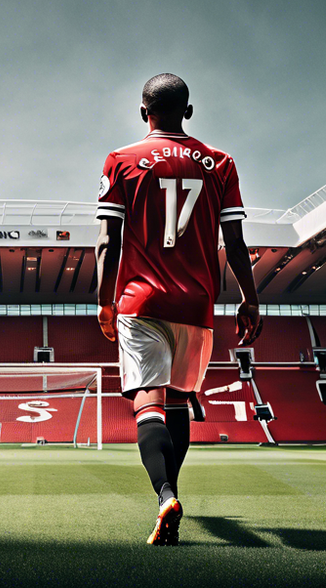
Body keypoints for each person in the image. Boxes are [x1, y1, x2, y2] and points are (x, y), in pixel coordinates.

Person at [94, 73, 263, 546]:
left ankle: (165, 494)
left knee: (148, 404)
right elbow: (235, 242)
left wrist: (105, 302)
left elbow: (109, 240)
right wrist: (250, 299)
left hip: (141, 301)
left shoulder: (122, 161)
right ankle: (171, 493)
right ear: (188, 112)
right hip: (196, 305)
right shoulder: (220, 163)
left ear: (142, 111)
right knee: (177, 402)